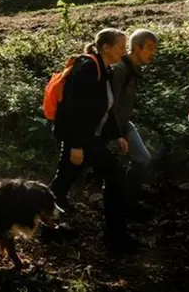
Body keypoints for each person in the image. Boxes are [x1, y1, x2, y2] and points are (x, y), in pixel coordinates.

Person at [48, 28, 137, 252]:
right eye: (120, 46)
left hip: (89, 137)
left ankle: (46, 227)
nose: (124, 51)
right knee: (113, 177)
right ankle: (116, 237)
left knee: (64, 181)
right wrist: (75, 146)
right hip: (80, 138)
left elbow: (104, 109)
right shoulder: (87, 69)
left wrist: (117, 135)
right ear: (106, 48)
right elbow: (72, 110)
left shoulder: (104, 69)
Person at [110, 29, 159, 217]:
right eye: (149, 48)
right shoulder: (120, 69)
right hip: (113, 126)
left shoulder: (133, 70)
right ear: (136, 47)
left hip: (124, 123)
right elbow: (109, 104)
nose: (153, 53)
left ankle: (130, 201)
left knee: (142, 158)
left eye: (154, 48)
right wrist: (116, 134)